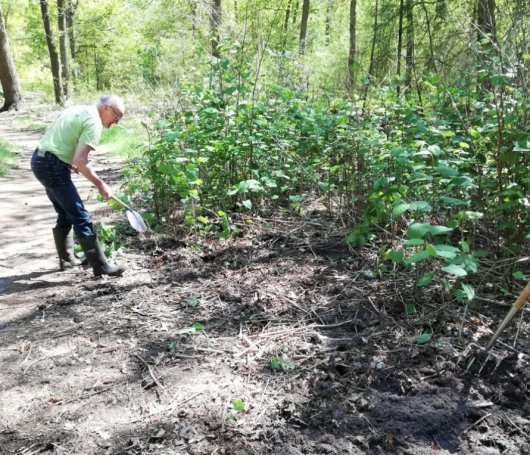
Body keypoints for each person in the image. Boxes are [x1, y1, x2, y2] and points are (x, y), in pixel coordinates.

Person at [31, 95, 126, 277]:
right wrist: (101, 184)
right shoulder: (94, 123)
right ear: (106, 108)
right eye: (116, 115)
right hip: (52, 166)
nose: (116, 121)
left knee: (65, 213)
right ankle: (101, 267)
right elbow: (80, 161)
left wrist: (69, 160)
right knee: (80, 215)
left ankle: (67, 260)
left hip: (40, 160)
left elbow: (62, 139)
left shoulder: (78, 109)